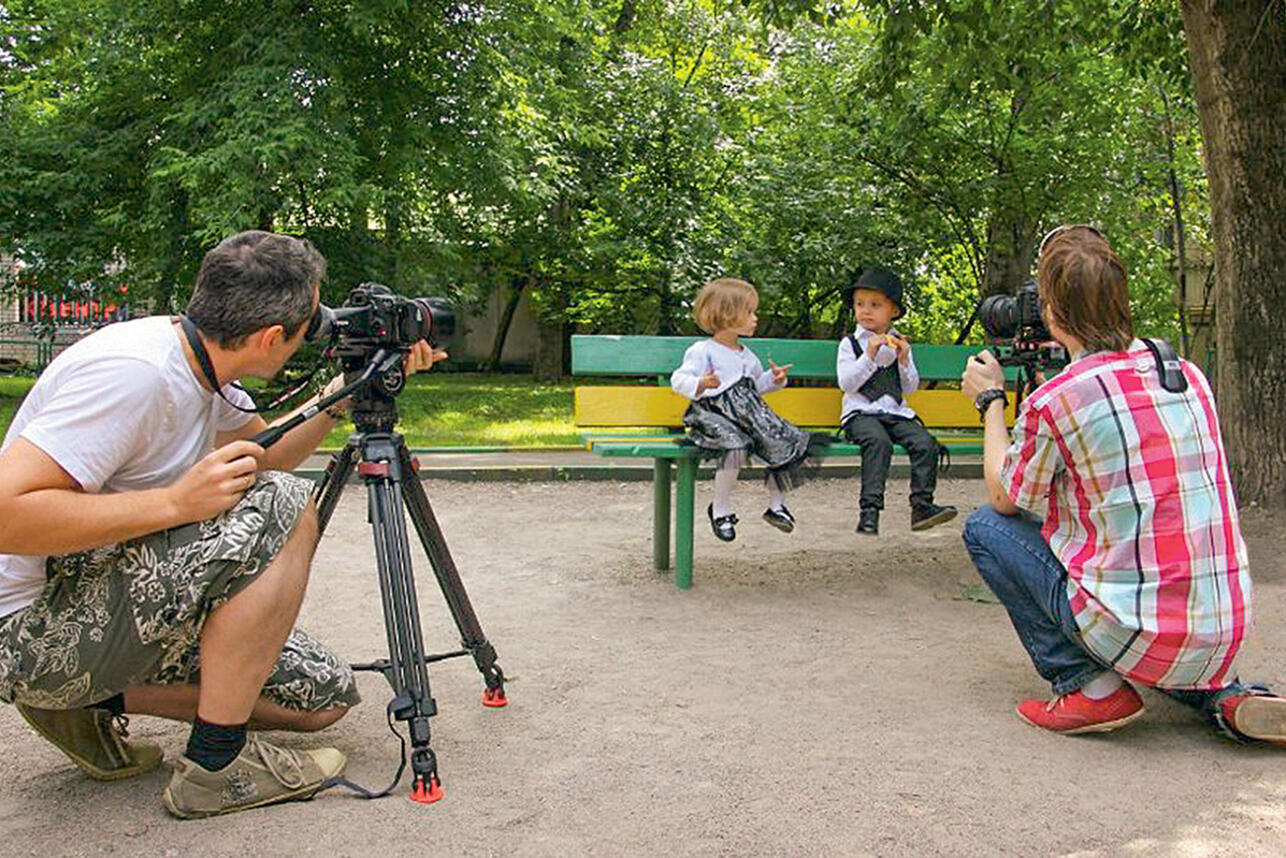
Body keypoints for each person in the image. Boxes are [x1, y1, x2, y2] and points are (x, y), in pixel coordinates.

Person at [0, 230, 444, 818]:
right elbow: (6, 515)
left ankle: (83, 701)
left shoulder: (206, 366)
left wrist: (345, 395)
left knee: (323, 696)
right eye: (311, 323)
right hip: (29, 629)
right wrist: (177, 504)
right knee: (284, 502)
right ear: (267, 338)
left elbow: (265, 454)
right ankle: (216, 766)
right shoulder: (133, 375)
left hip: (96, 596)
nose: (320, 331)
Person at [959, 224, 1286, 743]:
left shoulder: (1060, 400)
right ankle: (1229, 697)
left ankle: (1087, 686)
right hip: (1221, 628)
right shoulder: (1185, 373)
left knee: (984, 528)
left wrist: (992, 401)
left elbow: (1005, 496)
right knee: (1161, 612)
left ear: (1052, 310)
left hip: (1130, 627)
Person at [671, 277, 816, 542]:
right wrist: (700, 383)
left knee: (784, 438)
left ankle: (776, 506)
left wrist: (774, 380)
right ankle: (721, 508)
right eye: (749, 312)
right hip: (714, 414)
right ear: (727, 314)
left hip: (749, 416)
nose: (755, 318)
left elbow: (755, 388)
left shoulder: (747, 354)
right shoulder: (703, 350)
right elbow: (678, 379)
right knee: (735, 446)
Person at [837, 267, 956, 536]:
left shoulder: (900, 343)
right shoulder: (850, 345)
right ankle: (869, 512)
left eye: (875, 305)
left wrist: (903, 361)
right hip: (861, 415)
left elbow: (910, 388)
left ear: (894, 312)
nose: (865, 311)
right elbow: (847, 383)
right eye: (859, 304)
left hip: (896, 413)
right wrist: (868, 356)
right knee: (878, 443)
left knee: (925, 443)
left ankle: (922, 507)